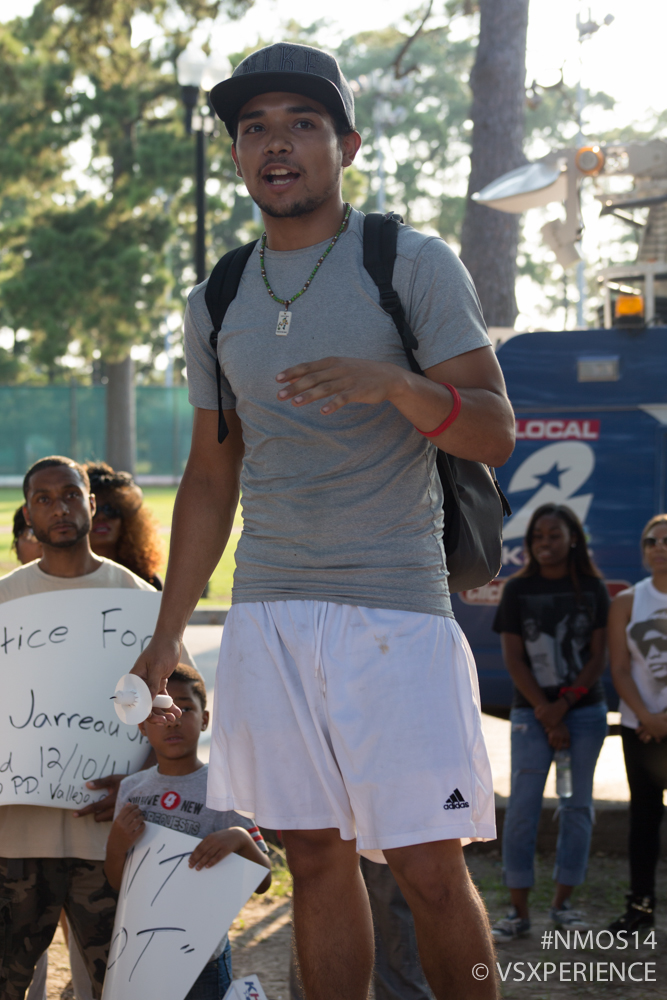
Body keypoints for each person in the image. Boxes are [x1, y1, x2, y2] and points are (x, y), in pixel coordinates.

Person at [131, 42, 515, 1000]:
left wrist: (394, 384)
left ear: (345, 143)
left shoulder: (409, 262)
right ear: (236, 156)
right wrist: (169, 624)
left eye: (301, 123)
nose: (276, 144)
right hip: (267, 612)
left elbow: (494, 432)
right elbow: (211, 473)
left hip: (395, 610)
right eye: (254, 127)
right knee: (311, 858)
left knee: (428, 868)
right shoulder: (215, 294)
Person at [0, 456, 157, 1000]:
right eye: (43, 499)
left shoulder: (139, 601)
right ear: (27, 512)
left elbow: (172, 709)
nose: (59, 508)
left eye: (70, 495)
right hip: (15, 835)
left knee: (116, 984)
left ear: (90, 504)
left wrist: (140, 783)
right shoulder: (4, 603)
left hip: (106, 835)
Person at [106, 663, 271, 999]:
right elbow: (116, 881)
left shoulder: (225, 790)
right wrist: (116, 844)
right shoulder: (132, 789)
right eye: (159, 712)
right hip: (142, 952)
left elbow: (265, 880)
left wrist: (240, 838)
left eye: (186, 708)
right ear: (141, 725)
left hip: (203, 957)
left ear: (206, 719)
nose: (174, 719)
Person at [491, 503, 609, 940]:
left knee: (576, 807)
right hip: (532, 715)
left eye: (553, 535)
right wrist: (545, 710)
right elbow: (513, 659)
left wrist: (565, 706)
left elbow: (597, 658)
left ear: (572, 538)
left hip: (584, 715)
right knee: (522, 809)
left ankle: (563, 905)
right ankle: (517, 912)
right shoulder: (517, 592)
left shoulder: (593, 588)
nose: (544, 543)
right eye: (537, 536)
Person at [608, 514, 667, 933]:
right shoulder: (627, 602)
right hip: (640, 729)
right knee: (644, 819)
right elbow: (620, 669)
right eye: (651, 540)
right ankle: (640, 907)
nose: (659, 546)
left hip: (658, 725)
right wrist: (647, 718)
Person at [84, 461, 164, 589]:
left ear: (126, 520)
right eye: (92, 509)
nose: (102, 516)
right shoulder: (59, 580)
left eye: (111, 509)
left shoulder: (146, 582)